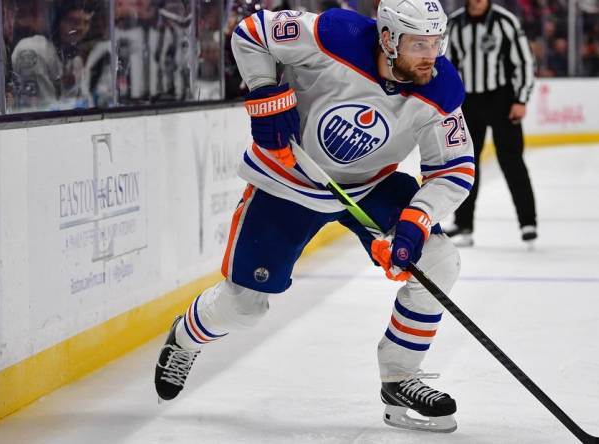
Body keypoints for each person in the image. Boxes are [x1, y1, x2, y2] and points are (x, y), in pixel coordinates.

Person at [154, 0, 475, 433]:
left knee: (437, 261)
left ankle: (400, 375)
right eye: (420, 43)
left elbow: (454, 168)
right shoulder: (334, 36)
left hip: (370, 187)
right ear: (388, 38)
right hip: (286, 180)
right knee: (244, 307)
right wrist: (264, 89)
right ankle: (187, 337)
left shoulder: (440, 87)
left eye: (437, 42)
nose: (431, 54)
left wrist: (417, 219)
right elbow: (251, 32)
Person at [445, 0, 537, 247]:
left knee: (512, 160)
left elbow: (524, 62)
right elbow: (446, 66)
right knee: (466, 162)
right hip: (468, 102)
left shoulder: (505, 22)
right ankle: (463, 224)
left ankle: (528, 222)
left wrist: (521, 99)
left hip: (501, 99)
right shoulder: (453, 24)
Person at [11, 1, 94, 111]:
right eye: (74, 21)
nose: (81, 28)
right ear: (56, 22)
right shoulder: (32, 51)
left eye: (86, 22)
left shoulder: (75, 61)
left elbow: (86, 104)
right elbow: (43, 110)